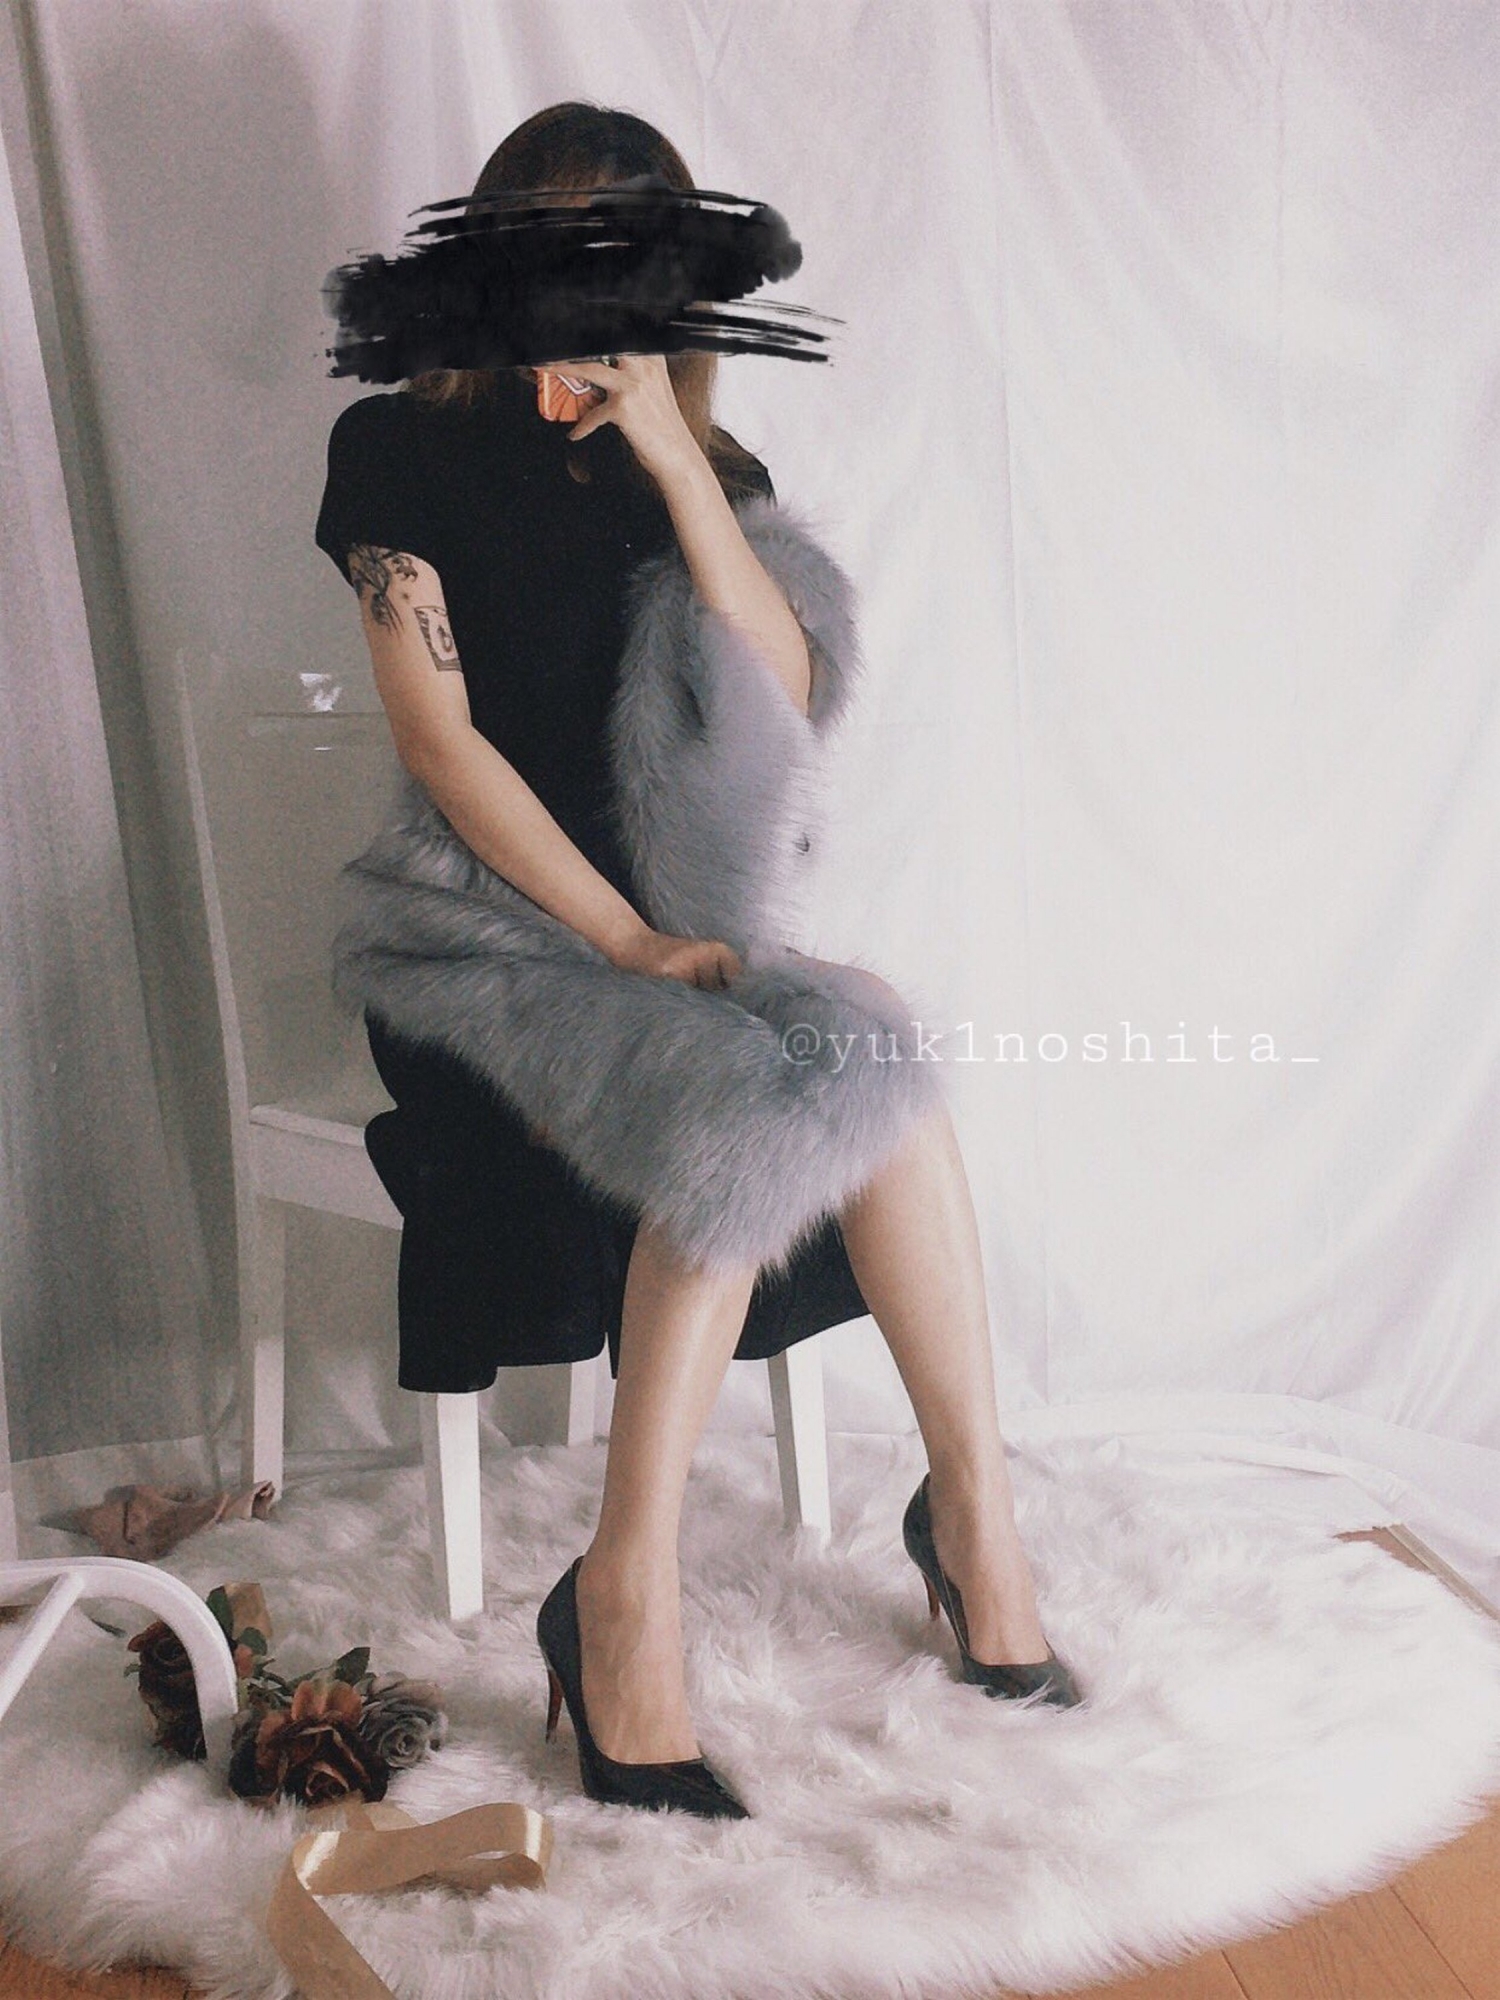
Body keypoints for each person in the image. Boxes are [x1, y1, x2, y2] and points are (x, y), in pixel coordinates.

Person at [316, 101, 1081, 1823]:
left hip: (672, 944)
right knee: (762, 1077)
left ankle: (975, 1514)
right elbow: (437, 738)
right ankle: (625, 1598)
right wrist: (622, 939)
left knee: (872, 1041)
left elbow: (785, 700)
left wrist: (674, 459)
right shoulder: (397, 447)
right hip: (482, 947)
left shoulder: (713, 484)